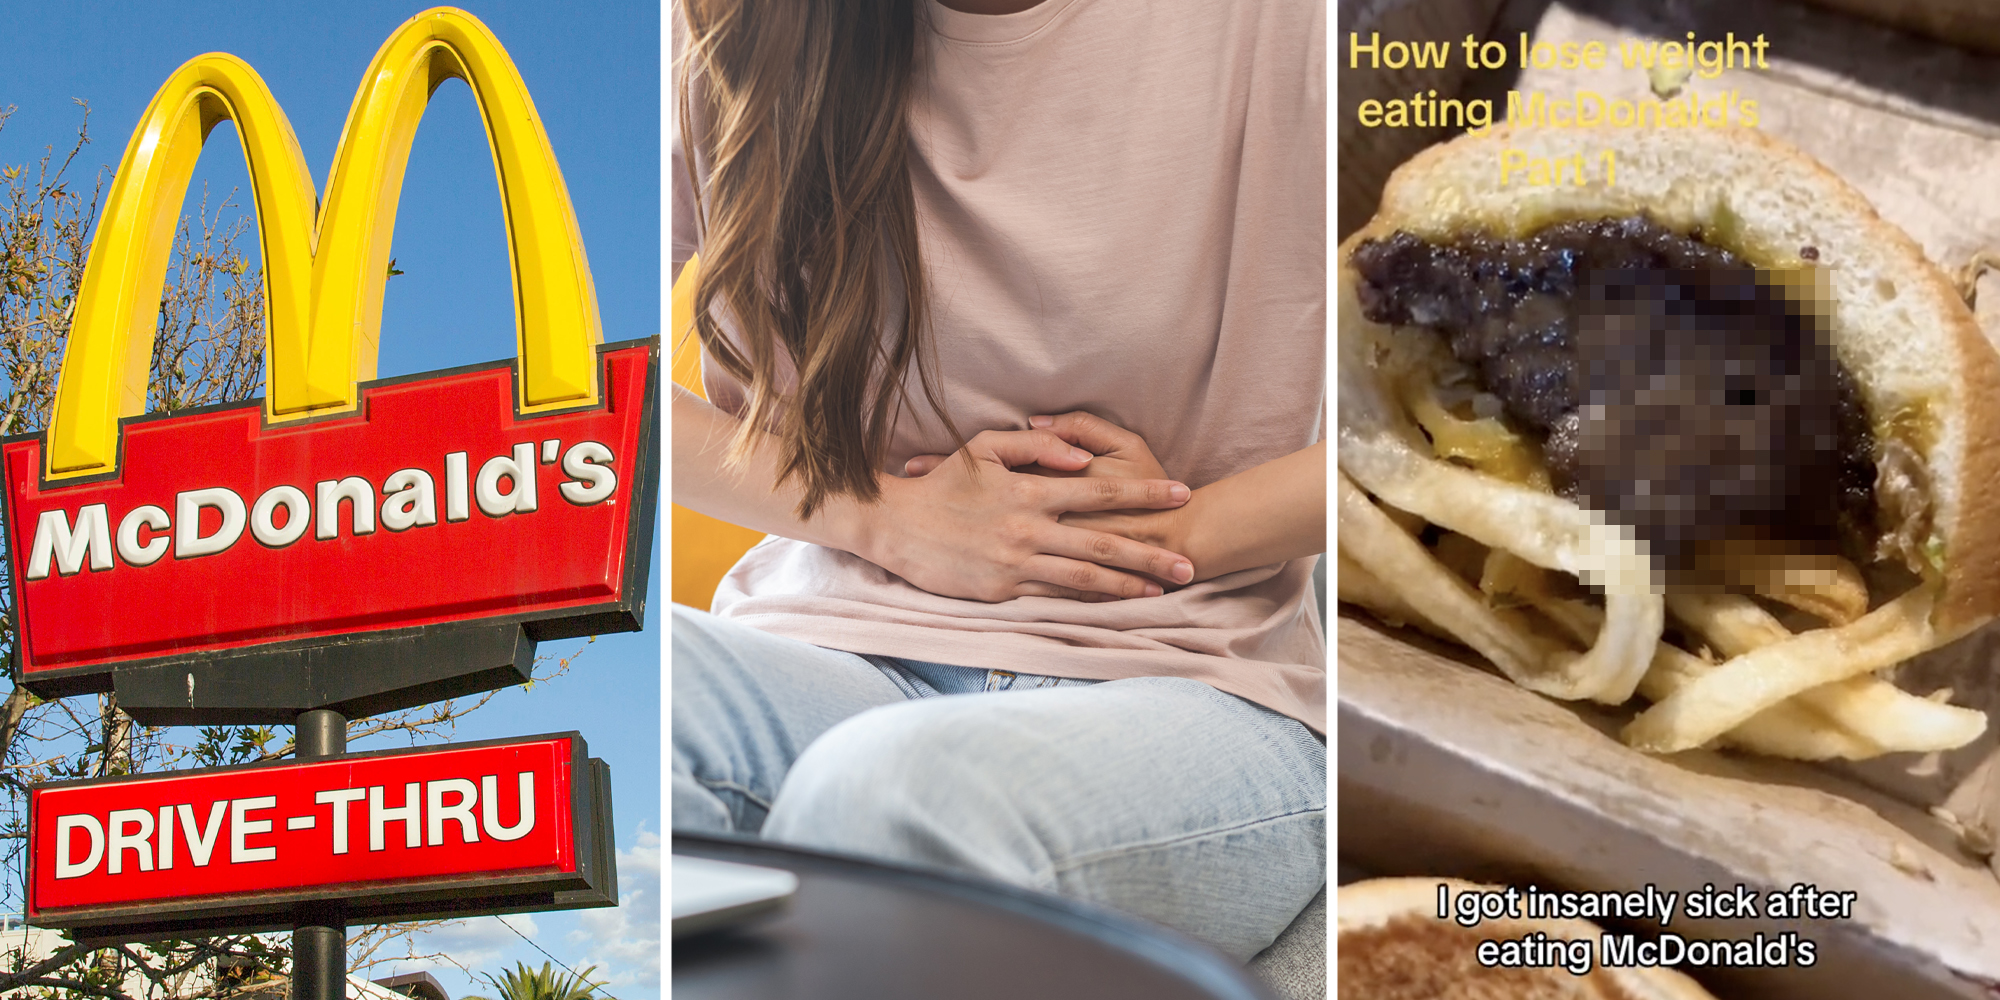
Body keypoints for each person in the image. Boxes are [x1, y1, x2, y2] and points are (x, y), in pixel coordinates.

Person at [671, 0, 1326, 959]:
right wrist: (881, 518)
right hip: (829, 653)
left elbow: (1487, 392)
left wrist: (1181, 532)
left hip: (1188, 681)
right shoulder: (727, 25)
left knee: (889, 800)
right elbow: (594, 399)